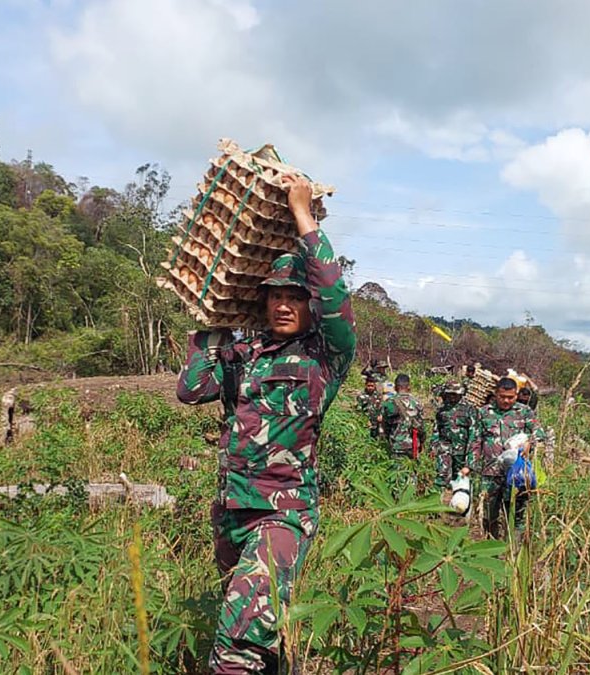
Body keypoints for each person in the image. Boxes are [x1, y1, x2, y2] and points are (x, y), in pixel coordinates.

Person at [176, 174, 356, 674]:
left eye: (295, 296)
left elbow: (337, 300)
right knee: (262, 633)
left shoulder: (324, 356)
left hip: (282, 515)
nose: (282, 303)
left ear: (309, 306)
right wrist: (210, 319)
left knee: (235, 645)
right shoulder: (246, 352)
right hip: (232, 510)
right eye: (275, 295)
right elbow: (192, 389)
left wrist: (304, 217)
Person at [469, 377, 548, 538]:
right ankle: (491, 550)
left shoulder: (525, 412)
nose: (506, 401)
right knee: (489, 514)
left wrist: (529, 443)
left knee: (516, 514)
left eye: (510, 397)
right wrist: (470, 467)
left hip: (517, 474)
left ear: (516, 395)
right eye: (502, 397)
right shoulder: (483, 413)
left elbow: (539, 434)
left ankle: (514, 551)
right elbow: (475, 441)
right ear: (495, 394)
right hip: (490, 473)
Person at [379, 373, 425, 493]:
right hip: (414, 445)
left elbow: (385, 425)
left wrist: (389, 438)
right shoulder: (417, 403)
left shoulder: (389, 403)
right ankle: (411, 500)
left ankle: (397, 502)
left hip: (397, 445)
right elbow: (422, 427)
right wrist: (422, 443)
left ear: (395, 387)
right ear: (409, 386)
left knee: (397, 475)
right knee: (412, 475)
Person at [432, 381, 475, 488]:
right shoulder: (442, 410)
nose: (452, 397)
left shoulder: (469, 410)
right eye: (449, 394)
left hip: (462, 451)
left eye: (455, 395)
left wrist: (470, 460)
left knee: (461, 481)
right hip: (445, 449)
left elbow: (474, 435)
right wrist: (434, 446)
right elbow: (436, 429)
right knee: (441, 477)